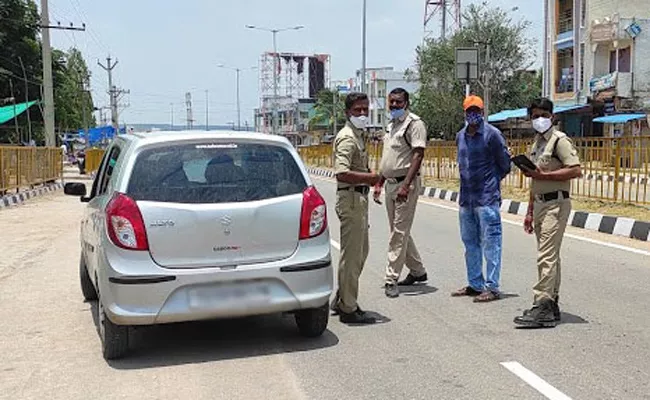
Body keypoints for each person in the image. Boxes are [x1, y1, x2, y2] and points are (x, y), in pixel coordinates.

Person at [514, 98, 581, 328]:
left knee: (546, 256)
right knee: (550, 256)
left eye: (543, 115)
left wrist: (545, 177)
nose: (539, 119)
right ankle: (551, 303)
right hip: (541, 203)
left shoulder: (559, 141)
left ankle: (542, 303)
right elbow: (535, 180)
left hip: (556, 204)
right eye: (534, 116)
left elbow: (575, 170)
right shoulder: (537, 143)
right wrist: (530, 210)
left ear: (552, 116)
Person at [452, 95, 511, 302]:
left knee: (491, 243)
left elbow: (505, 164)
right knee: (470, 243)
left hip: (486, 199)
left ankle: (492, 287)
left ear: (483, 112)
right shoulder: (460, 136)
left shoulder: (492, 135)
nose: (473, 114)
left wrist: (492, 183)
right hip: (466, 198)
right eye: (469, 111)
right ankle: (475, 284)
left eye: (476, 111)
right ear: (464, 113)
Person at [330, 92, 381, 324]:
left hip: (358, 199)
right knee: (352, 255)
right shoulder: (348, 137)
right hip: (351, 199)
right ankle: (348, 308)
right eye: (357, 110)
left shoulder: (359, 135)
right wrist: (370, 178)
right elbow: (341, 172)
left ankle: (343, 297)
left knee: (360, 252)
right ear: (347, 113)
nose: (362, 114)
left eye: (365, 110)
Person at [373, 88, 428, 298]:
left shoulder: (414, 124)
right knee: (398, 230)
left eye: (398, 102)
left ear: (407, 102)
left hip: (406, 183)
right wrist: (379, 181)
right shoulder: (391, 126)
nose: (394, 106)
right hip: (389, 183)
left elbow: (418, 155)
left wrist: (406, 185)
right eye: (391, 102)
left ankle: (391, 278)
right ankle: (418, 271)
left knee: (399, 232)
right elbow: (388, 157)